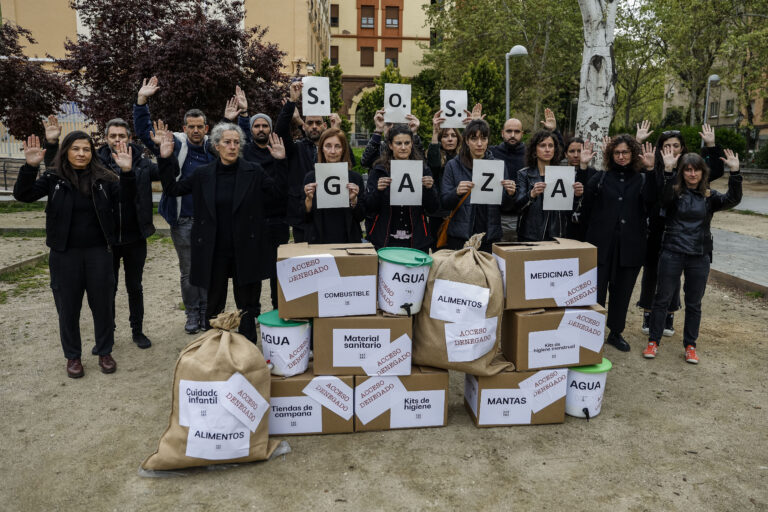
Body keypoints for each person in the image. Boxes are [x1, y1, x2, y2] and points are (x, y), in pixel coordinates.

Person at [14, 132, 136, 378]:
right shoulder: (53, 178)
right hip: (64, 254)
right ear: (66, 152)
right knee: (68, 308)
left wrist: (127, 173)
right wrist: (30, 166)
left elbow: (126, 199)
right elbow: (23, 195)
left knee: (103, 306)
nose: (81, 153)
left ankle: (104, 351)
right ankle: (73, 357)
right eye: (76, 149)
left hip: (99, 253)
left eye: (86, 149)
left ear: (92, 153)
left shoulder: (105, 178)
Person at [156, 124, 286, 342]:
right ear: (217, 146)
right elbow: (172, 190)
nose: (232, 146)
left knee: (248, 304)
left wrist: (280, 162)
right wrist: (165, 158)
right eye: (227, 142)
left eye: (236, 142)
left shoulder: (253, 171)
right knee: (214, 303)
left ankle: (247, 347)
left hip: (245, 247)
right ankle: (214, 347)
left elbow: (279, 194)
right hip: (214, 249)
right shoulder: (202, 174)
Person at [41, 117, 159, 348]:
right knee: (106, 290)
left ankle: (137, 331)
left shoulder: (141, 163)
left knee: (135, 287)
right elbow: (57, 170)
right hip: (107, 239)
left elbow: (168, 172)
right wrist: (52, 144)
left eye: (122, 136)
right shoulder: (96, 163)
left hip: (136, 236)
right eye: (113, 136)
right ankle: (108, 335)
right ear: (106, 138)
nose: (117, 140)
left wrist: (162, 152)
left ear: (129, 138)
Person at [642, 150, 742, 363]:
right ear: (682, 172)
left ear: (702, 172)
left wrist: (735, 173)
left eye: (696, 169)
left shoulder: (709, 196)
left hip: (699, 255)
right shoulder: (674, 192)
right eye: (687, 169)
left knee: (694, 302)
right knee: (662, 298)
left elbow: (732, 199)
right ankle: (653, 341)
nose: (692, 173)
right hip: (672, 252)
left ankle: (690, 345)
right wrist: (668, 171)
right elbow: (664, 199)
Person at [133, 76, 214, 334]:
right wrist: (141, 101)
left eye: (200, 126)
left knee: (210, 268)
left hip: (211, 221)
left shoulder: (214, 149)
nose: (195, 130)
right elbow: (147, 133)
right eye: (191, 126)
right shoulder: (175, 144)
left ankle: (207, 312)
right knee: (189, 271)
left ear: (207, 128)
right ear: (184, 127)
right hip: (183, 220)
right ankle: (192, 314)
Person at [637, 124, 726, 337]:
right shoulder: (653, 165)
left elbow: (717, 169)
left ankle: (669, 313)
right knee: (652, 271)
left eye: (676, 145)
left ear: (682, 147)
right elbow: (644, 185)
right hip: (656, 226)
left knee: (673, 275)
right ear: (660, 148)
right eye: (667, 145)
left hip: (682, 231)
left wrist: (711, 145)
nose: (672, 149)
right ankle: (649, 312)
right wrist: (638, 142)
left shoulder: (690, 168)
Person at [579, 134, 656, 352]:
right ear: (611, 155)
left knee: (622, 292)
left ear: (633, 154)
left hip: (630, 248)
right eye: (617, 153)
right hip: (601, 246)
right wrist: (583, 168)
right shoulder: (602, 178)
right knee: (596, 292)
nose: (621, 156)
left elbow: (652, 200)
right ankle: (592, 332)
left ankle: (615, 332)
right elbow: (584, 203)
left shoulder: (641, 179)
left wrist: (650, 171)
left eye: (625, 152)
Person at [440, 119, 517, 252]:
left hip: (489, 237)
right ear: (466, 141)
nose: (479, 144)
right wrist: (456, 192)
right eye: (474, 139)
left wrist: (511, 194)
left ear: (488, 140)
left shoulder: (498, 165)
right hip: (460, 236)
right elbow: (444, 202)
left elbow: (505, 207)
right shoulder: (453, 165)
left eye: (484, 138)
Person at [365, 124, 439, 251]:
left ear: (412, 144)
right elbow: (368, 207)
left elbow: (433, 208)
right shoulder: (379, 170)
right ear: (390, 145)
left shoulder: (422, 169)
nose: (403, 147)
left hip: (416, 241)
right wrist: (378, 191)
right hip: (385, 240)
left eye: (407, 143)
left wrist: (429, 189)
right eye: (398, 143)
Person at [491, 108, 561, 241]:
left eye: (517, 131)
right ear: (502, 133)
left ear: (522, 134)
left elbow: (557, 150)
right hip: (499, 214)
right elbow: (476, 152)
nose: (513, 135)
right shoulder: (492, 153)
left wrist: (553, 131)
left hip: (527, 219)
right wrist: (475, 123)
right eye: (509, 131)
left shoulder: (530, 153)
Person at [514, 130, 586, 241]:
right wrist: (531, 194)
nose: (547, 149)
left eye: (550, 146)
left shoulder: (564, 174)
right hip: (530, 235)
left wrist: (577, 196)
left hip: (557, 235)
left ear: (555, 150)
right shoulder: (524, 174)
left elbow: (569, 211)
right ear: (534, 150)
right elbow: (518, 206)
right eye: (542, 145)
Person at [302, 128, 366, 243]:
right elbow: (304, 218)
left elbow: (361, 216)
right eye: (328, 146)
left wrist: (354, 201)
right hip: (318, 242)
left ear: (343, 150)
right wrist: (309, 201)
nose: (332, 151)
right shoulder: (311, 178)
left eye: (337, 146)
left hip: (348, 241)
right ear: (321, 149)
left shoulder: (355, 178)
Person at [426, 111, 461, 250]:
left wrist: (472, 124)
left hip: (459, 211)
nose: (450, 139)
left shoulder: (462, 159)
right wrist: (435, 132)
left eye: (453, 135)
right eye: (445, 136)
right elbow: (433, 163)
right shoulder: (436, 156)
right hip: (438, 214)